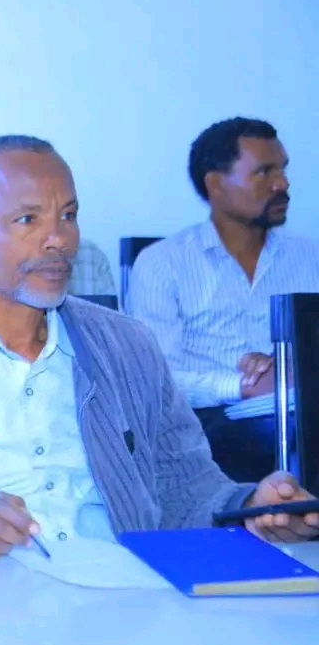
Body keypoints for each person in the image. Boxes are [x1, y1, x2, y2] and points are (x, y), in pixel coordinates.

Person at [0, 134, 319, 558]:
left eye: (68, 215)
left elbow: (187, 487)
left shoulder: (128, 346)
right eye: (28, 220)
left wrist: (252, 506)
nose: (59, 239)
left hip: (125, 598)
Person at [128, 117, 319, 482]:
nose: (282, 183)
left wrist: (286, 366)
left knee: (299, 427)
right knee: (288, 435)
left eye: (282, 169)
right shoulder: (163, 263)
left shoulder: (311, 258)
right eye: (264, 172)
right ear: (215, 184)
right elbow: (153, 379)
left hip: (300, 409)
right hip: (209, 421)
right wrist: (241, 386)